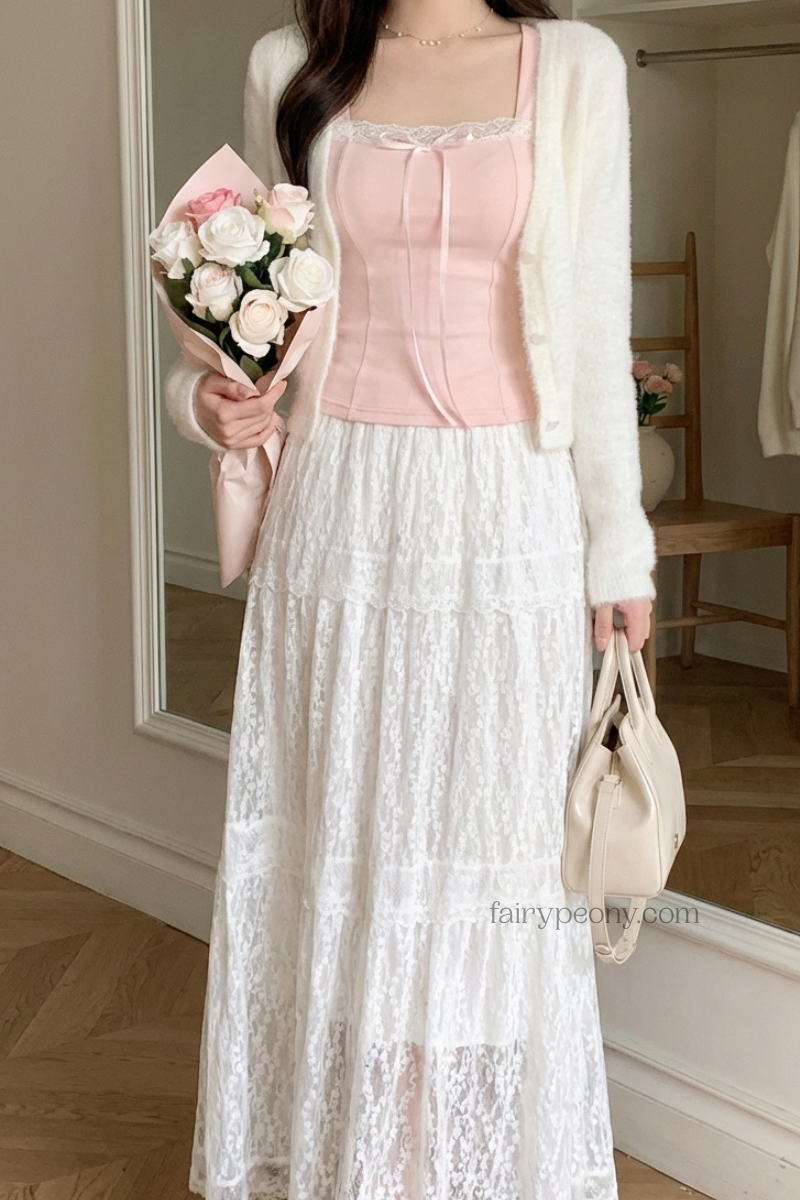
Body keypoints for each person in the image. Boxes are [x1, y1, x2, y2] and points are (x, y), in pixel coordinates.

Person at [165, 3, 656, 1197]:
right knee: (341, 849)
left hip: (508, 518)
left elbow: (594, 325)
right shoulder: (291, 67)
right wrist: (209, 406)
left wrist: (619, 549)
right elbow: (252, 320)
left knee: (492, 866)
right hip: (336, 512)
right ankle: (366, 1165)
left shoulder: (573, 66)